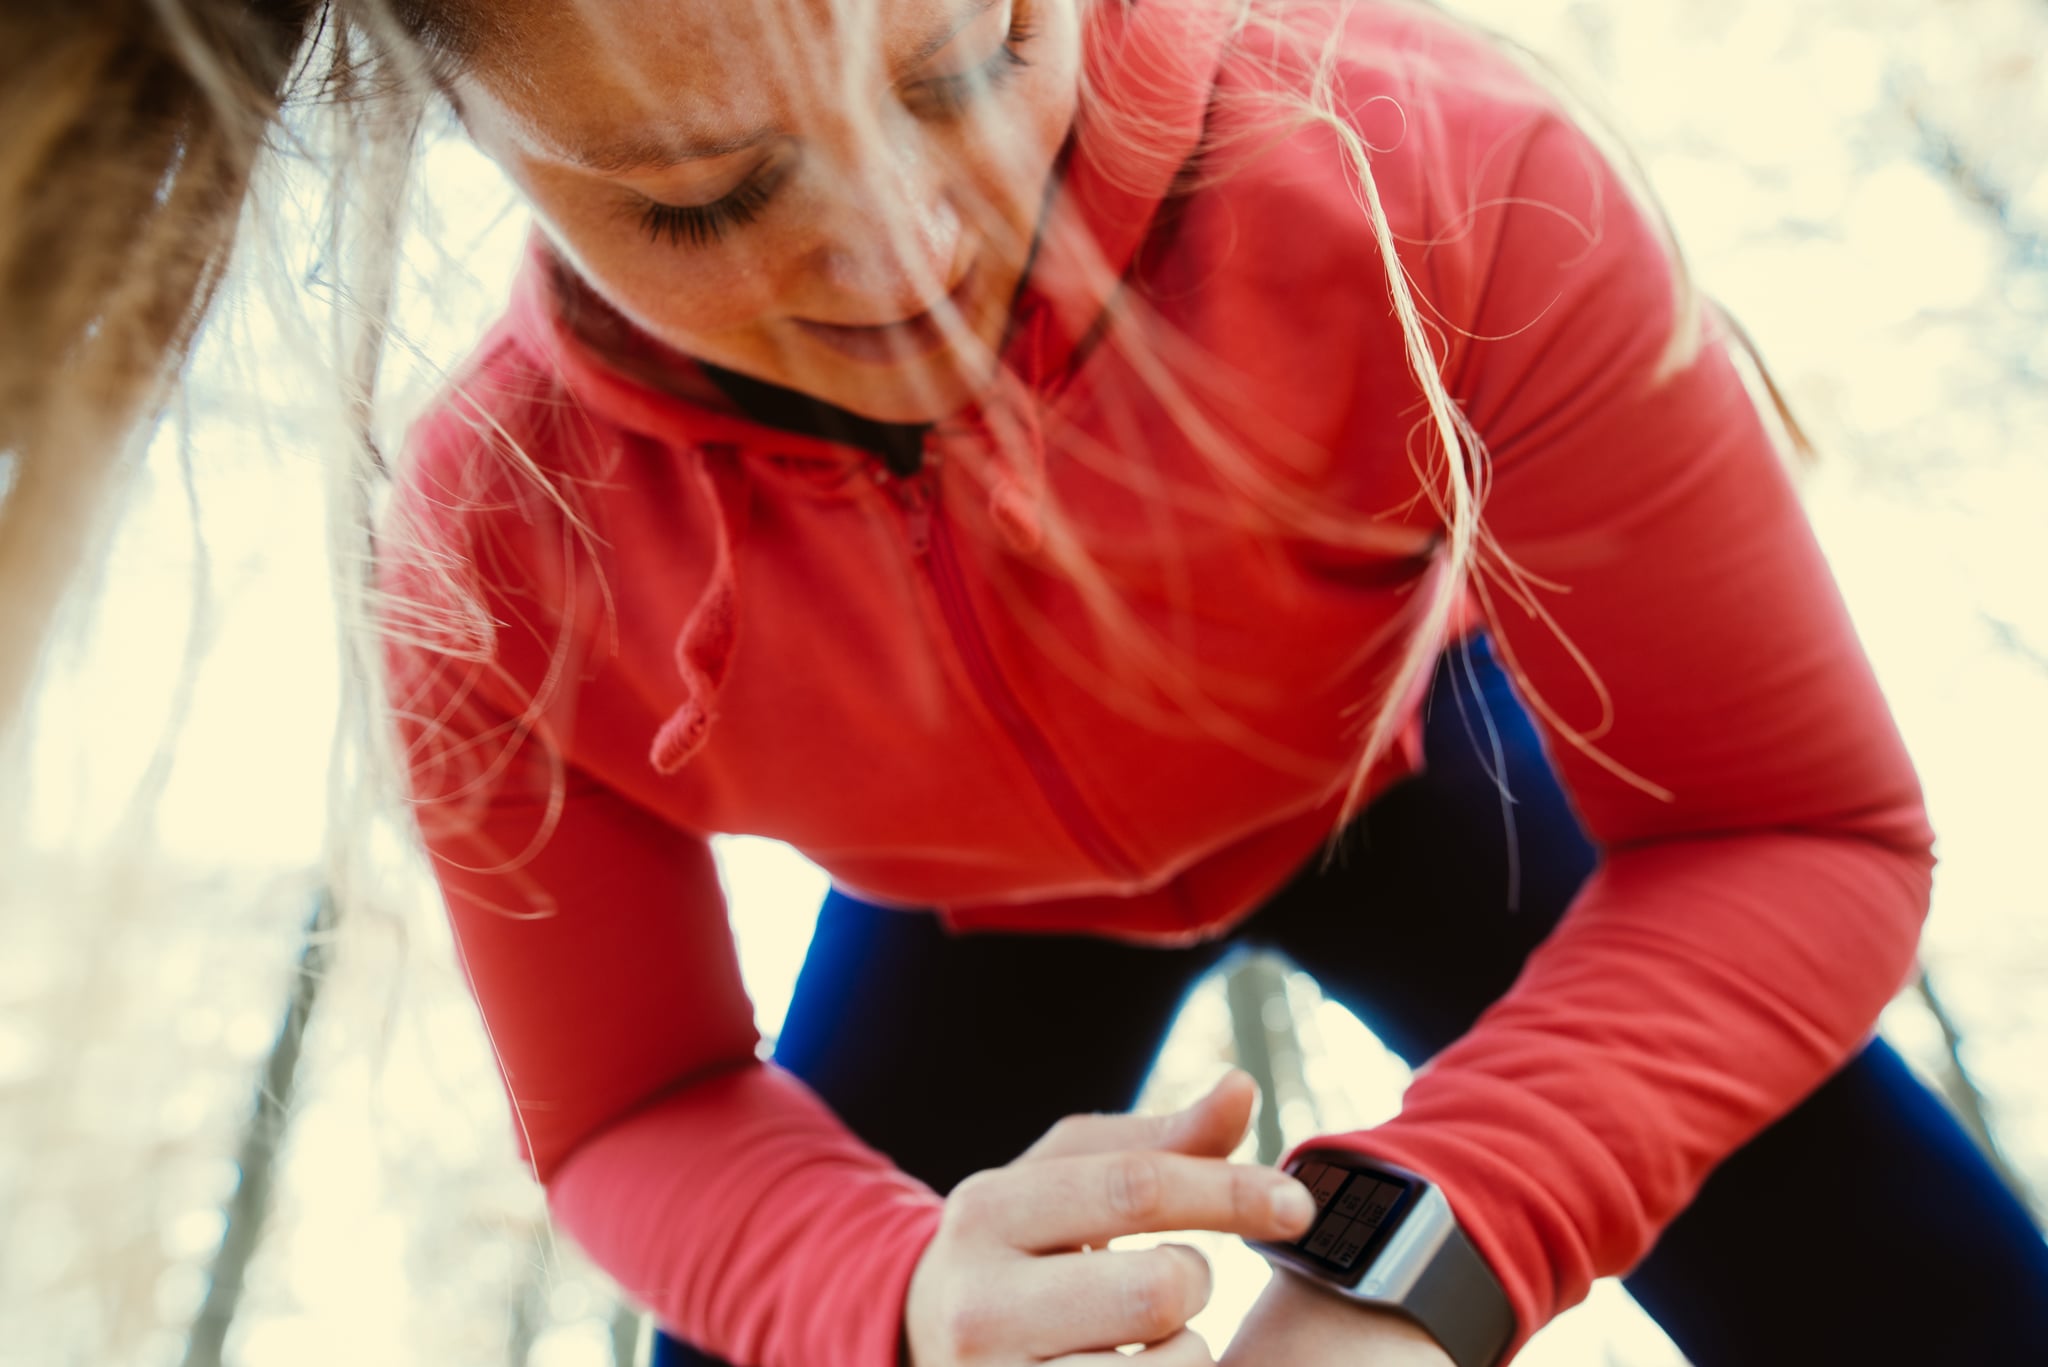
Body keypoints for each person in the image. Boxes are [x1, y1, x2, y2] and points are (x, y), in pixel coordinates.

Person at [8, 1, 2043, 1365]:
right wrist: (896, 1294)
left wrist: (1435, 1257)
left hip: (1425, 785)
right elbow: (630, 1110)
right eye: (707, 197)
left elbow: (1802, 835)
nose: (900, 262)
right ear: (470, 135)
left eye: (965, 63)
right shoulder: (491, 535)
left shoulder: (1439, 178)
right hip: (967, 928)